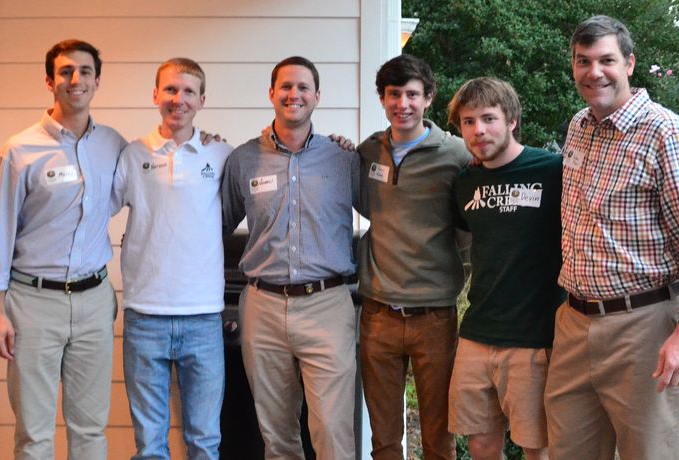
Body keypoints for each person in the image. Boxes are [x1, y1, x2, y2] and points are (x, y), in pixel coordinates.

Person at [544, 15, 679, 460]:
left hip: (643, 328)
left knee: (649, 453)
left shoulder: (667, 134)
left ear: (629, 63)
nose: (594, 72)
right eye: (583, 61)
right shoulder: (579, 127)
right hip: (573, 321)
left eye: (606, 60)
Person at [0, 39, 127, 459]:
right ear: (50, 81)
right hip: (32, 304)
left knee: (89, 431)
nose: (75, 79)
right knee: (34, 434)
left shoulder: (114, 144)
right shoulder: (18, 150)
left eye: (84, 71)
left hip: (95, 301)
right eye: (65, 72)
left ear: (97, 81)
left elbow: (158, 164)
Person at [221, 56, 359, 460]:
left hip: (327, 305)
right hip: (262, 307)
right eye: (285, 86)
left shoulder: (344, 158)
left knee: (332, 429)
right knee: (277, 433)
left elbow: (386, 214)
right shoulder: (243, 159)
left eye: (303, 87)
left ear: (317, 96)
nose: (293, 94)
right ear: (271, 94)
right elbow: (214, 229)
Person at [111, 58, 233, 459]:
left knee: (204, 441)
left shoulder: (221, 154)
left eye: (187, 92)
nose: (177, 99)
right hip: (145, 316)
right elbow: (94, 211)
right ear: (155, 95)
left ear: (202, 100)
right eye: (170, 90)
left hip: (204, 317)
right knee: (149, 446)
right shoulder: (131, 156)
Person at [356, 53, 470, 460]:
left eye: (411, 94)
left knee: (439, 433)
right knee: (384, 439)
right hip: (378, 314)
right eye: (393, 94)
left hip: (434, 316)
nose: (402, 103)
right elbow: (362, 208)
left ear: (428, 98)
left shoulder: (457, 154)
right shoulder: (368, 152)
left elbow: (471, 225)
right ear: (382, 99)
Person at [446, 77, 564, 460]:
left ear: (511, 120)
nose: (478, 130)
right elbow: (467, 240)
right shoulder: (465, 183)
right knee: (479, 443)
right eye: (468, 121)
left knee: (537, 445)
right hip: (477, 332)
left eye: (488, 118)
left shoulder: (552, 171)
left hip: (535, 337)